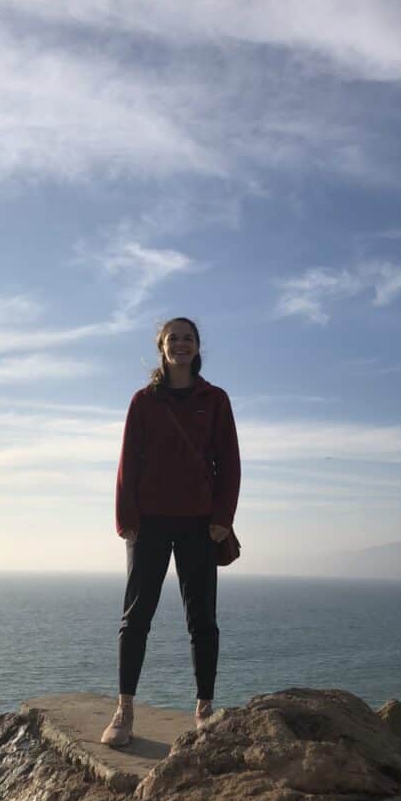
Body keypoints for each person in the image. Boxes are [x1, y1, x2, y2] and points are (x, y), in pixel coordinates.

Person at [100, 316, 241, 746]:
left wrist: (223, 517)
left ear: (198, 347)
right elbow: (128, 465)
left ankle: (204, 710)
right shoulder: (144, 401)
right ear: (161, 347)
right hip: (151, 522)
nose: (181, 344)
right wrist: (127, 522)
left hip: (200, 523)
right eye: (173, 338)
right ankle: (124, 711)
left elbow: (229, 462)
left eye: (189, 338)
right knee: (136, 617)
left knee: (202, 619)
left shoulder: (214, 399)